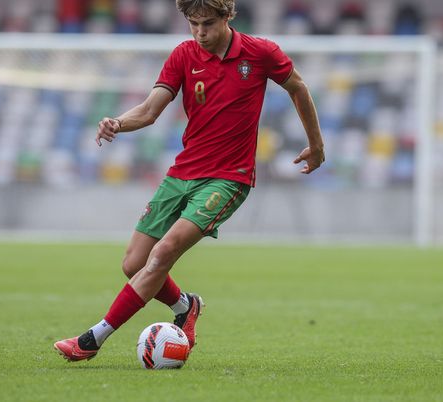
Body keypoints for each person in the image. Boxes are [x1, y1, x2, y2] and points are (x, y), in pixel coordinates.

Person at [54, 0, 325, 362]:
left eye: (208, 23)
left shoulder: (260, 53)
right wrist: (118, 122)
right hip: (182, 173)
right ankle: (187, 306)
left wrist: (316, 145)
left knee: (162, 253)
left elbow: (298, 87)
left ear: (228, 17)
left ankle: (93, 338)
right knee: (134, 263)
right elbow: (150, 110)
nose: (200, 32)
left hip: (228, 178)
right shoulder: (184, 55)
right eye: (193, 24)